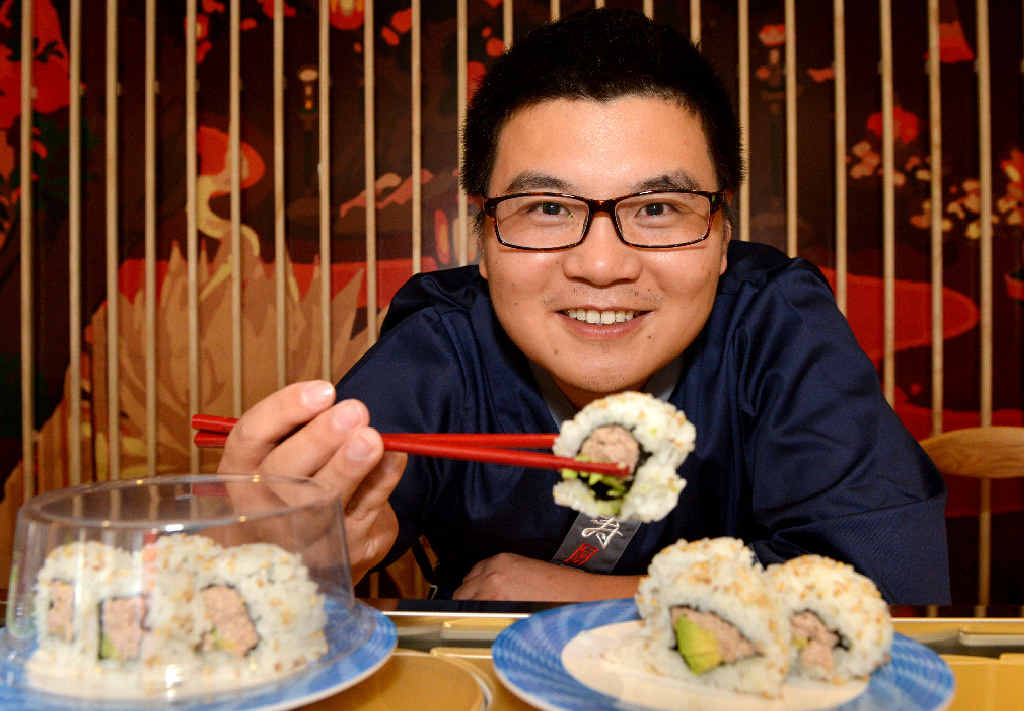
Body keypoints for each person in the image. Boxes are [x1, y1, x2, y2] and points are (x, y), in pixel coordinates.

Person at [217, 8, 950, 604]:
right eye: (545, 206)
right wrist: (291, 552)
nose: (601, 264)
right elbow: (327, 530)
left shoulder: (775, 325)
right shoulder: (443, 347)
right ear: (482, 235)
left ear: (724, 234)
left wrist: (597, 592)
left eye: (659, 206)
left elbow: (876, 580)